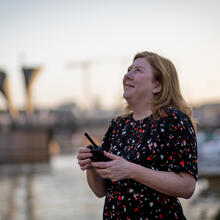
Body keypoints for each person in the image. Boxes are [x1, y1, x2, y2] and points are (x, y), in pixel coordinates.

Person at [77, 51, 198, 219]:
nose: (127, 75)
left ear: (157, 86)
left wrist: (130, 170)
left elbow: (187, 187)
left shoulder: (173, 119)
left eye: (137, 70)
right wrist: (91, 166)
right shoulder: (118, 125)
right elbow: (100, 191)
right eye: (128, 70)